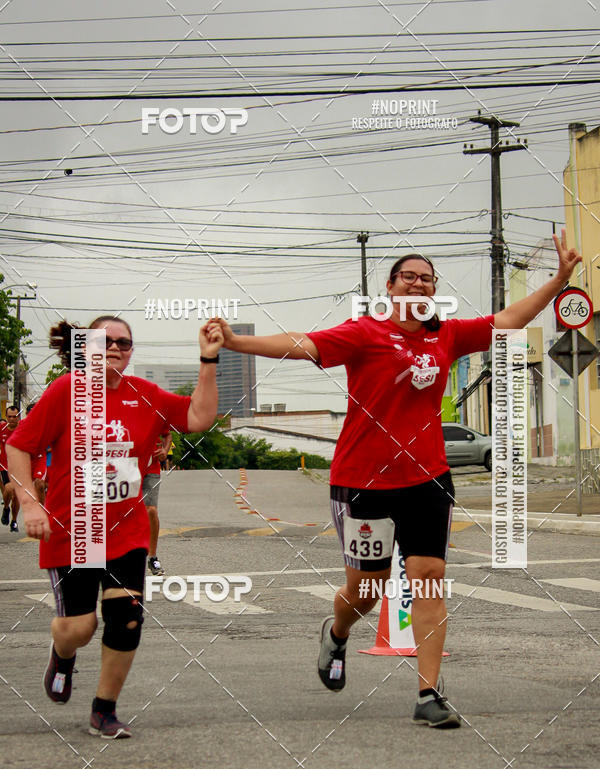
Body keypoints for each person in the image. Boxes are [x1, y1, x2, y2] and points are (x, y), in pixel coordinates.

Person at [208, 230, 581, 728]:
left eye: (428, 280)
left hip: (427, 478)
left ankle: (428, 692)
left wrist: (558, 280)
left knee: (428, 577)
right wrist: (235, 341)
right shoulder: (364, 332)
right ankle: (337, 632)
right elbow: (302, 345)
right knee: (367, 590)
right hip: (363, 480)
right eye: (410, 277)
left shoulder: (447, 335)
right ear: (391, 286)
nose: (419, 285)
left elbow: (509, 319)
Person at [7, 315, 223, 739]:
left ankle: (104, 710)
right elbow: (18, 445)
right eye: (105, 340)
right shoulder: (66, 391)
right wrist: (30, 503)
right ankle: (63, 653)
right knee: (79, 627)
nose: (115, 348)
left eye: (124, 342)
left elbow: (198, 417)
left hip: (126, 530)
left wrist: (208, 359)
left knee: (127, 618)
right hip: (75, 531)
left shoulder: (146, 395)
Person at [144, 432, 171, 576]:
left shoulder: (155, 411)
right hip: (124, 469)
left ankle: (152, 558)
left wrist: (165, 450)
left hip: (150, 469)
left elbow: (167, 435)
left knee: (151, 510)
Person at [1, 406, 21, 531]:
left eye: (15, 417)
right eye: (9, 417)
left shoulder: (23, 429)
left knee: (16, 495)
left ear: (18, 417)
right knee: (8, 490)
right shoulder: (1, 429)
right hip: (5, 465)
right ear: (6, 417)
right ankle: (6, 507)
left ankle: (14, 521)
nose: (12, 419)